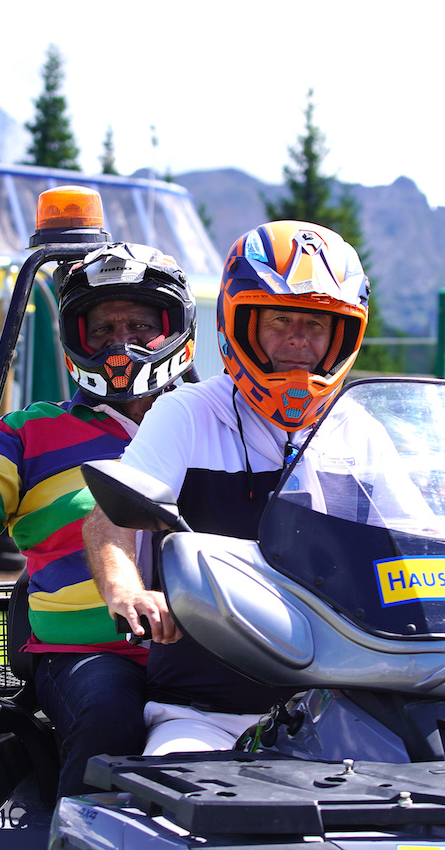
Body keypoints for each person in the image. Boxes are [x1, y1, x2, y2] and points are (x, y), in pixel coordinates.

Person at [0, 239, 196, 798]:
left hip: (212, 648)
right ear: (76, 340)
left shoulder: (212, 419)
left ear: (174, 329)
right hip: (90, 655)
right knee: (110, 718)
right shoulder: (28, 432)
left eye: (140, 327)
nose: (122, 344)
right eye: (103, 330)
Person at [83, 220, 371, 755]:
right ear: (240, 322)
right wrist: (124, 590)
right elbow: (110, 515)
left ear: (343, 335)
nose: (297, 340)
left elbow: (421, 534)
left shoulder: (357, 426)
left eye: (317, 325)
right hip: (205, 715)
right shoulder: (188, 413)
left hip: (341, 710)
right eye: (280, 318)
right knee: (170, 812)